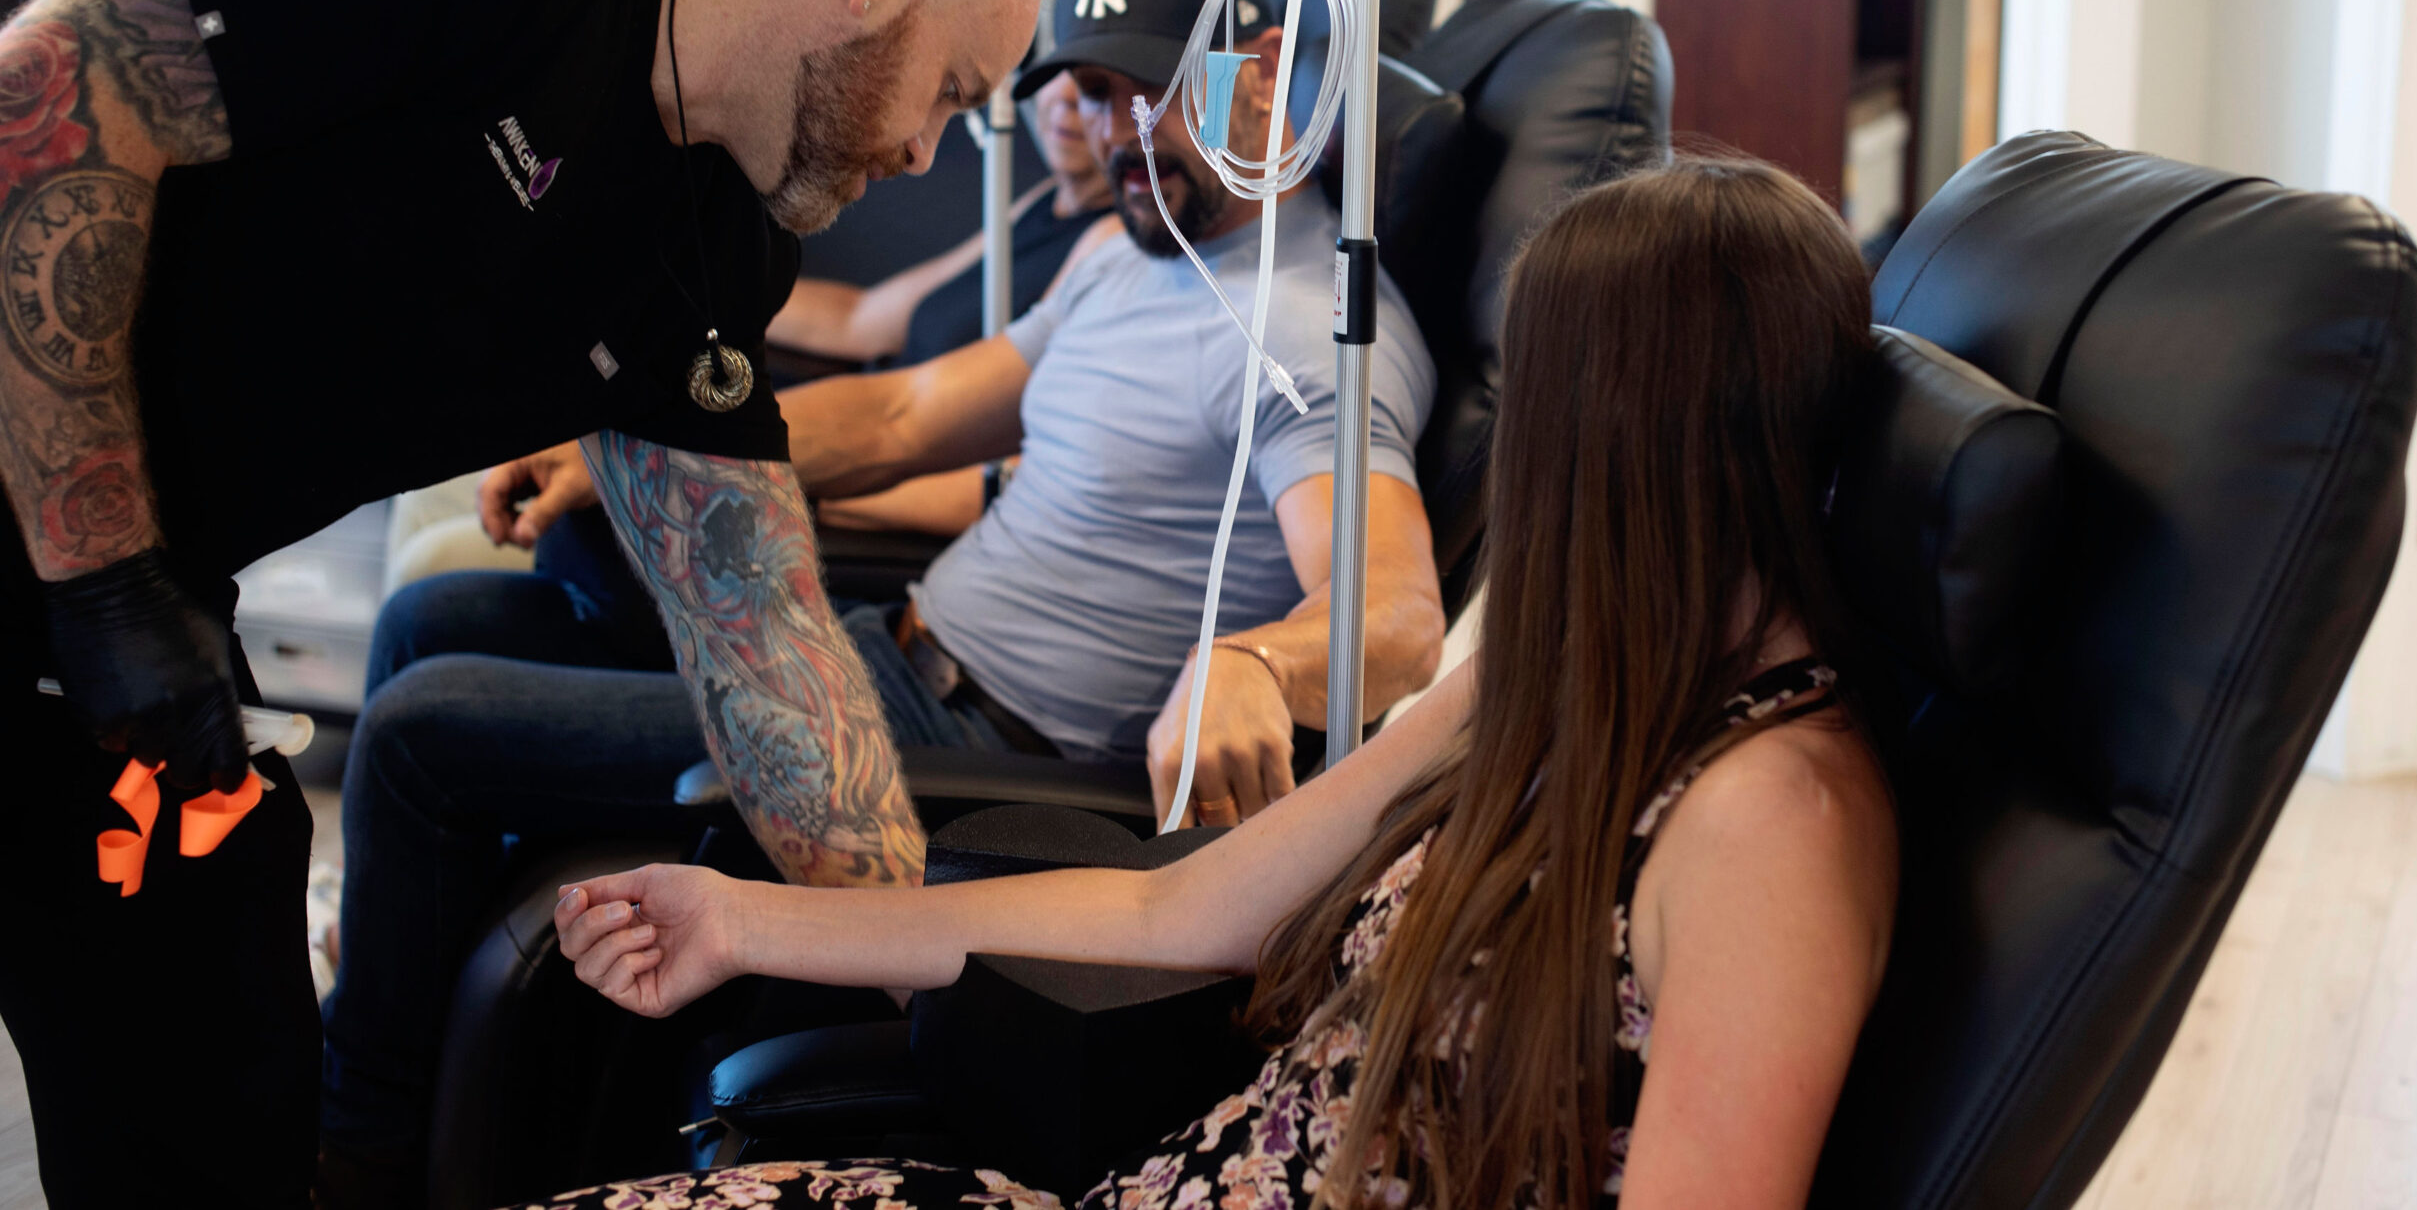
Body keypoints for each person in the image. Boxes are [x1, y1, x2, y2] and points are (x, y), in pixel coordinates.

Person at [0, 0, 1046, 1210]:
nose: (932, 150)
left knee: (218, 1100)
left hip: (117, 617)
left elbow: (773, 654)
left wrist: (942, 1021)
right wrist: (104, 582)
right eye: (951, 88)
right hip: (71, 536)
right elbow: (36, 104)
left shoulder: (711, 246)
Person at [318, 0, 1443, 1197]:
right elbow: (909, 413)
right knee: (438, 618)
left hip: (963, 758)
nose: (1120, 133)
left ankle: (357, 1154)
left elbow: (1394, 612)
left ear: (1257, 79)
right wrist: (641, 447)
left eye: (1153, 93)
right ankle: (400, 1030)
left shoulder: (1310, 333)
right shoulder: (1124, 256)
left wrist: (1256, 659)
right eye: (1091, 90)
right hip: (885, 653)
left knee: (415, 728)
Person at [540, 157, 1901, 1210]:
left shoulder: (1774, 821)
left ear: (1610, 437)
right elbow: (1173, 906)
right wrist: (738, 918)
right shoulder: (1558, 694)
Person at [767, 72, 1120, 372]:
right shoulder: (1044, 203)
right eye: (1056, 68)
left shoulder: (1110, 242)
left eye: (1094, 82)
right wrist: (721, 295)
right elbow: (857, 321)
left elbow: (936, 416)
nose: (1063, 94)